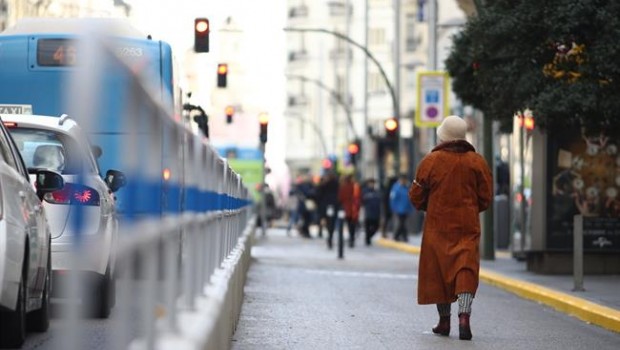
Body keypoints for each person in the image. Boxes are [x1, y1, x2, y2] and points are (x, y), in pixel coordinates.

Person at [408, 115, 493, 341]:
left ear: (443, 135)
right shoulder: (477, 162)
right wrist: (471, 208)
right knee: (465, 269)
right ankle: (464, 317)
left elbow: (416, 196)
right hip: (467, 225)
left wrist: (430, 205)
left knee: (438, 270)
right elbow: (485, 198)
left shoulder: (431, 161)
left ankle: (444, 321)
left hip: (438, 225)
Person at [316, 172, 340, 249]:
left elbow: (318, 196)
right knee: (331, 222)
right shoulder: (337, 185)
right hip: (333, 205)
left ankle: (329, 236)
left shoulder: (324, 185)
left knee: (328, 221)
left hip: (326, 206)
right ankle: (330, 236)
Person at [337, 174, 361, 248]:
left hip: (347, 209)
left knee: (349, 224)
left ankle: (351, 238)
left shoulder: (343, 187)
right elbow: (359, 197)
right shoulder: (355, 187)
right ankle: (352, 238)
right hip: (353, 209)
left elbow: (340, 198)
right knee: (352, 224)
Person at [389, 174, 413, 242]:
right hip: (398, 209)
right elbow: (393, 198)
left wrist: (410, 208)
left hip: (406, 209)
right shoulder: (396, 187)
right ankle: (398, 236)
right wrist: (393, 207)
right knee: (401, 223)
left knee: (403, 223)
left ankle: (402, 236)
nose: (403, 181)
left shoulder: (408, 187)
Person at [361, 178, 381, 246]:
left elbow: (379, 202)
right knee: (367, 227)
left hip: (376, 213)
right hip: (368, 212)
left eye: (373, 183)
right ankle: (367, 239)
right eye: (370, 183)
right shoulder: (364, 191)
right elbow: (362, 201)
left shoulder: (376, 192)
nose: (372, 185)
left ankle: (368, 237)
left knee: (376, 227)